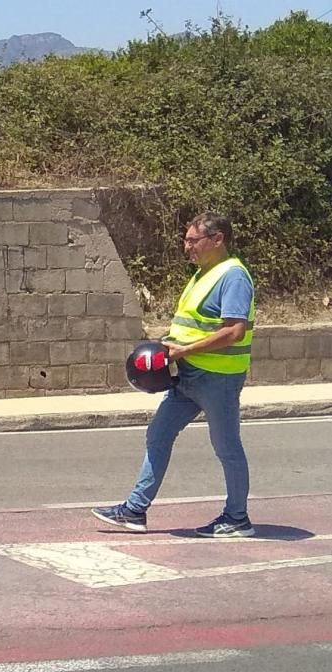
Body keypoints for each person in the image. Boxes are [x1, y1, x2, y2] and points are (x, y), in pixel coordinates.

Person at [92, 213, 256, 538]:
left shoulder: (233, 276)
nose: (187, 247)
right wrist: (170, 346)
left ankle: (237, 517)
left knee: (226, 446)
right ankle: (135, 511)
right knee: (159, 433)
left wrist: (182, 351)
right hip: (188, 376)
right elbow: (194, 324)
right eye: (186, 240)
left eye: (193, 240)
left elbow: (234, 331)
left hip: (217, 378)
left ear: (218, 239)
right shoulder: (203, 274)